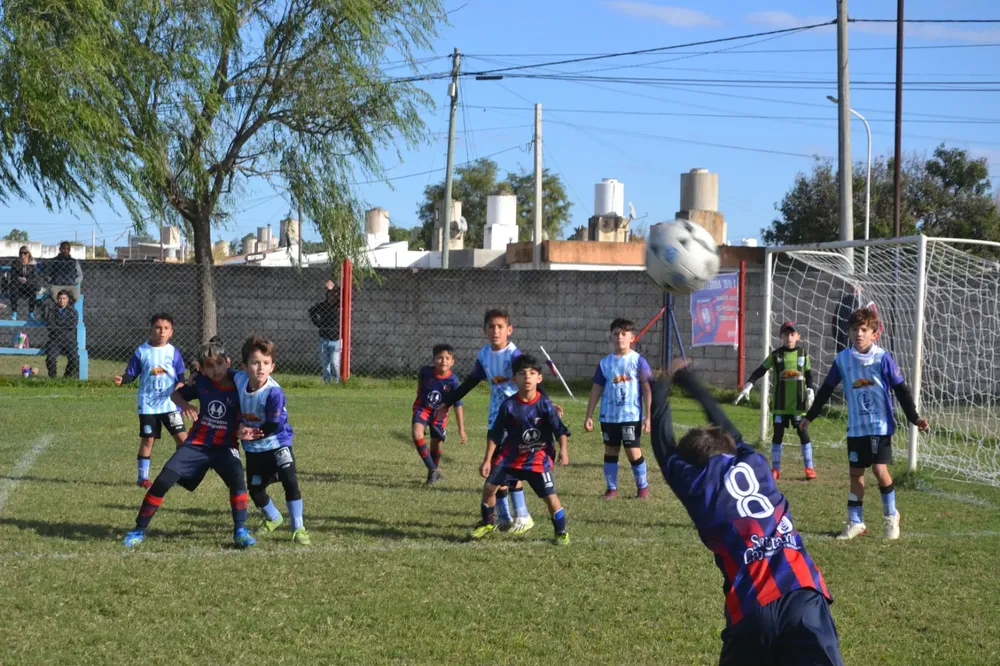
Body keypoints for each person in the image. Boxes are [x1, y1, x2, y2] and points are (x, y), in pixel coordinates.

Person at [650, 360, 842, 665]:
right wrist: (690, 380)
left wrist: (658, 387)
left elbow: (663, 447)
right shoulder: (756, 464)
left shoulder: (698, 485)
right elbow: (729, 429)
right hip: (803, 594)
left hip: (751, 608)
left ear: (691, 465)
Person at [801, 307, 929, 540]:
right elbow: (826, 390)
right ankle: (855, 522)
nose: (858, 334)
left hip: (879, 426)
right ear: (848, 333)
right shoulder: (842, 360)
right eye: (853, 330)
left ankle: (891, 516)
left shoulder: (882, 358)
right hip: (856, 427)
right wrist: (810, 416)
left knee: (880, 471)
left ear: (874, 334)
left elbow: (901, 389)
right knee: (855, 474)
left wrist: (914, 417)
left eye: (863, 329)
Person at [121, 338, 255, 549]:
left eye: (219, 363)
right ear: (201, 369)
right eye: (209, 366)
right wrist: (184, 404)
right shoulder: (200, 382)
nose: (216, 370)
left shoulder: (240, 382)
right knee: (164, 480)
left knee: (238, 479)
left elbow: (258, 390)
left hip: (226, 447)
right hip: (197, 444)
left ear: (228, 362)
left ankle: (240, 530)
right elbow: (175, 394)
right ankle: (138, 529)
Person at [438, 309, 535, 533]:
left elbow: (530, 380)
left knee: (508, 466)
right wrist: (449, 401)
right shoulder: (484, 355)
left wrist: (546, 403)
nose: (496, 331)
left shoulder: (513, 355)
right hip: (496, 415)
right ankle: (504, 517)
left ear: (509, 330)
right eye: (491, 327)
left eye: (500, 327)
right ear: (485, 331)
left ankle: (523, 515)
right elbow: (471, 381)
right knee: (498, 466)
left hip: (516, 415)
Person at [470, 354, 570, 545]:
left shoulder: (545, 406)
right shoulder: (509, 405)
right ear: (514, 379)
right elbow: (495, 434)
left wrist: (563, 451)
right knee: (489, 488)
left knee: (550, 497)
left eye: (532, 373)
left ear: (539, 378)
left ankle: (561, 532)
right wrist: (487, 459)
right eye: (522, 374)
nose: (527, 377)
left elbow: (560, 430)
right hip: (510, 457)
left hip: (537, 458)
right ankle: (487, 522)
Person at [235, 335, 310, 545]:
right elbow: (221, 373)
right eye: (255, 362)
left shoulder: (274, 392)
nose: (260, 367)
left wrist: (247, 430)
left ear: (272, 367)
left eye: (266, 363)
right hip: (253, 448)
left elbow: (273, 425)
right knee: (256, 489)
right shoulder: (239, 379)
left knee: (290, 481)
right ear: (244, 366)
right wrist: (199, 374)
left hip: (277, 442)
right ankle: (274, 517)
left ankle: (298, 527)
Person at [735, 321, 817, 481]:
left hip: (798, 404)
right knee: (777, 434)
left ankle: (809, 467)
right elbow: (761, 369)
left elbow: (808, 374)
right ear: (781, 336)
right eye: (786, 334)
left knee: (803, 433)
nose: (789, 337)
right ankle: (775, 469)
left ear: (798, 337)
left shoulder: (803, 354)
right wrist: (750, 383)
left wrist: (810, 388)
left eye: (792, 334)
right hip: (780, 404)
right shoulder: (776, 355)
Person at [114, 313, 188, 489]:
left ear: (171, 332)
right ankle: (143, 478)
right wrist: (123, 380)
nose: (161, 332)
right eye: (158, 328)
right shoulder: (142, 351)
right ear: (151, 329)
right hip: (148, 405)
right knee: (148, 440)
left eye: (166, 328)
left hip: (170, 405)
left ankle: (180, 473)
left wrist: (179, 386)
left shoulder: (173, 352)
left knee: (183, 440)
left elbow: (181, 377)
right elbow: (132, 373)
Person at [583, 318, 653, 500]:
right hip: (609, 417)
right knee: (611, 451)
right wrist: (589, 414)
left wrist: (648, 417)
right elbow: (596, 388)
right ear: (610, 337)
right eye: (616, 334)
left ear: (632, 338)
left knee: (633, 451)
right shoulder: (605, 364)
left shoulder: (638, 361)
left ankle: (643, 488)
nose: (620, 337)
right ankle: (611, 489)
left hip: (631, 415)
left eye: (624, 334)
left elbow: (647, 389)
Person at [412, 344, 467, 484]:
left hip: (439, 414)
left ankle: (433, 473)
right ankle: (433, 469)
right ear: (433, 360)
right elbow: (420, 386)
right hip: (423, 409)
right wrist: (419, 399)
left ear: (452, 362)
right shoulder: (425, 372)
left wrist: (461, 429)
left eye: (447, 358)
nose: (443, 361)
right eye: (439, 358)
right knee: (417, 434)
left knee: (436, 444)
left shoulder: (453, 381)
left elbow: (458, 404)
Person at [309, 279, 341, 384]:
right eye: (330, 295)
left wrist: (333, 288)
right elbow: (312, 311)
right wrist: (318, 324)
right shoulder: (323, 306)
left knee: (334, 363)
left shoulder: (339, 306)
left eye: (334, 295)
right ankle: (326, 382)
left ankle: (336, 381)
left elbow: (347, 295)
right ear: (327, 296)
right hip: (324, 338)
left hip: (336, 339)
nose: (332, 297)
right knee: (325, 363)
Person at [43, 290, 79, 379]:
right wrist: (63, 327)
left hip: (69, 340)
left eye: (64, 298)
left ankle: (66, 377)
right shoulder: (52, 311)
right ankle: (53, 379)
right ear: (57, 299)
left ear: (68, 300)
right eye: (60, 298)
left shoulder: (73, 311)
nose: (62, 301)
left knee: (74, 359)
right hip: (55, 340)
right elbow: (50, 325)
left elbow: (72, 325)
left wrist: (58, 327)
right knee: (50, 359)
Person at [9, 246, 39, 320]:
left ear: (28, 254)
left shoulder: (33, 264)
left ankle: (31, 313)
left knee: (33, 292)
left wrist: (27, 280)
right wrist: (18, 278)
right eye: (21, 253)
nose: (22, 255)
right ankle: (14, 312)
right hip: (18, 285)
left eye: (25, 253)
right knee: (13, 289)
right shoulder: (15, 263)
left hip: (28, 286)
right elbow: (12, 275)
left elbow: (34, 278)